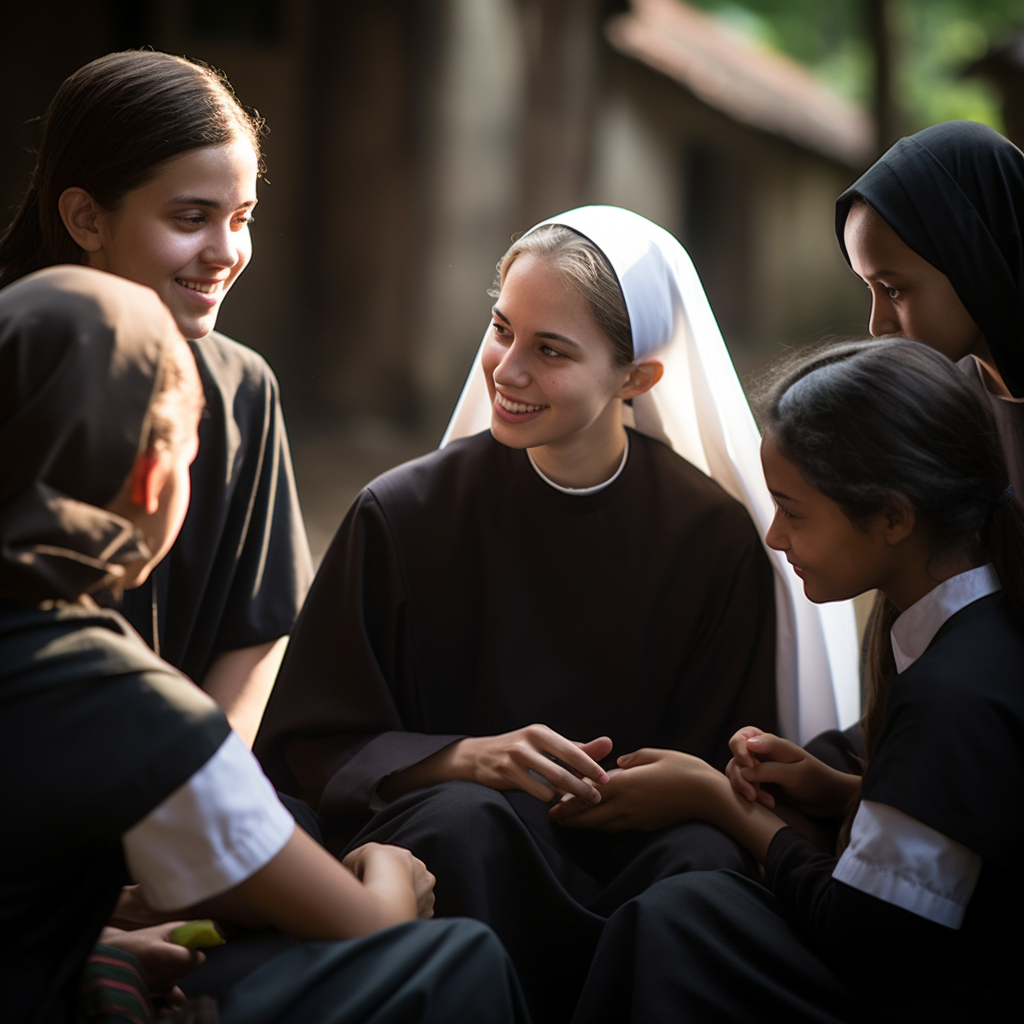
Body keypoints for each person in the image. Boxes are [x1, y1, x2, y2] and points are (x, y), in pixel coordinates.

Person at [256, 206, 858, 1021]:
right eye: (502, 329)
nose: (505, 368)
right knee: (460, 824)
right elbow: (312, 743)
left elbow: (734, 750)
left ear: (636, 378)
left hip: (639, 847)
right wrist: (465, 758)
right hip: (466, 839)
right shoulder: (402, 514)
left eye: (550, 350)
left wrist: (659, 787)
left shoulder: (711, 536)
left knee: (702, 867)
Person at [0, 265, 528, 1024]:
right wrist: (391, 874)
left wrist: (94, 948)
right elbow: (368, 924)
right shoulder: (122, 703)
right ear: (153, 480)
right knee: (457, 960)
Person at [567, 338, 1022, 1022]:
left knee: (680, 919)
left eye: (795, 510)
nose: (775, 536)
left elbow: (861, 934)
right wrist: (844, 792)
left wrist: (720, 802)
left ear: (894, 517)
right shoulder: (976, 622)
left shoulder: (953, 689)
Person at [0, 50, 312, 746]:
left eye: (242, 216)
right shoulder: (12, 366)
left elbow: (258, 628)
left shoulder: (243, 387)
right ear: (87, 218)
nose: (226, 251)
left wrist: (206, 783)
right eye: (191, 217)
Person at [835, 119, 1024, 508]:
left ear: (975, 264)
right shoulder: (944, 414)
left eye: (893, 290)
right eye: (868, 289)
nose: (876, 326)